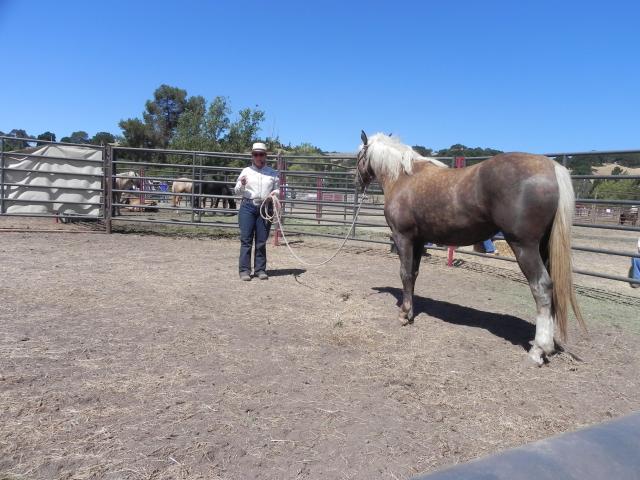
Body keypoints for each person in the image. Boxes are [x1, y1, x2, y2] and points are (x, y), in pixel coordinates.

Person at [234, 142, 279, 281]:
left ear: (265, 156)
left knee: (261, 240)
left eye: (261, 154)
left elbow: (278, 189)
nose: (259, 157)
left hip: (265, 207)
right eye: (256, 154)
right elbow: (236, 191)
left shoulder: (272, 173)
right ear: (252, 156)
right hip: (248, 206)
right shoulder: (246, 171)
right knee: (246, 239)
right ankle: (244, 271)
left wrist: (274, 194)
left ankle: (260, 269)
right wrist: (241, 185)